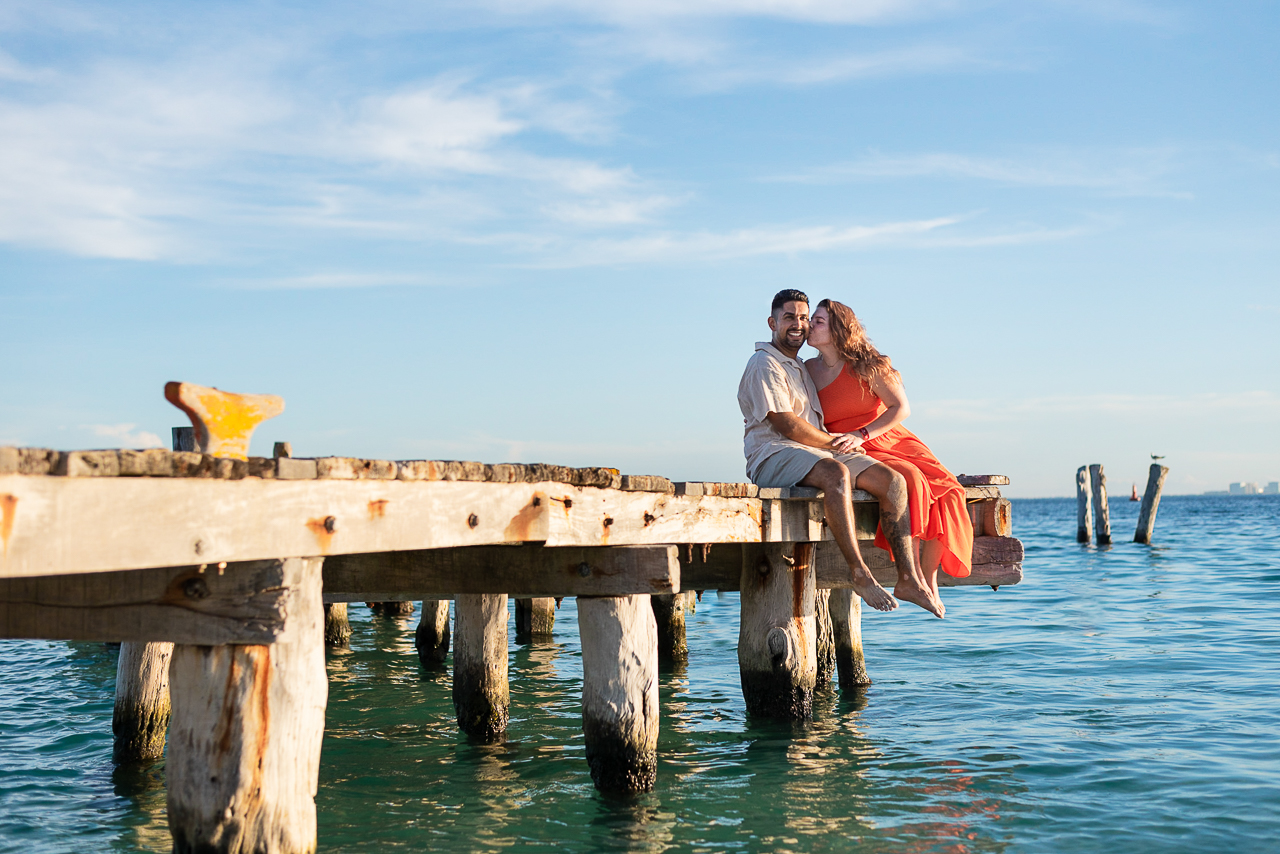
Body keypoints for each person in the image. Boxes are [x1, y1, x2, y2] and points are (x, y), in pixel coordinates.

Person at [737, 289, 941, 616]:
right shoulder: (765, 363)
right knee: (836, 474)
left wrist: (850, 439)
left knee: (892, 481)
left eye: (804, 318)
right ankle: (860, 573)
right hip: (773, 454)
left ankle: (908, 578)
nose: (799, 324)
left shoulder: (801, 366)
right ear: (772, 322)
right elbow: (786, 424)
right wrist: (834, 442)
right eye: (789, 317)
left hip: (814, 451)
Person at [805, 299, 973, 617]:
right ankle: (909, 579)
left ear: (839, 328)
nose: (811, 325)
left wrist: (863, 434)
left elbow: (901, 408)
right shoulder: (806, 371)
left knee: (950, 490)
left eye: (819, 321)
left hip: (886, 437)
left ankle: (927, 580)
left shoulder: (869, 363)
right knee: (908, 480)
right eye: (812, 320)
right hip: (850, 449)